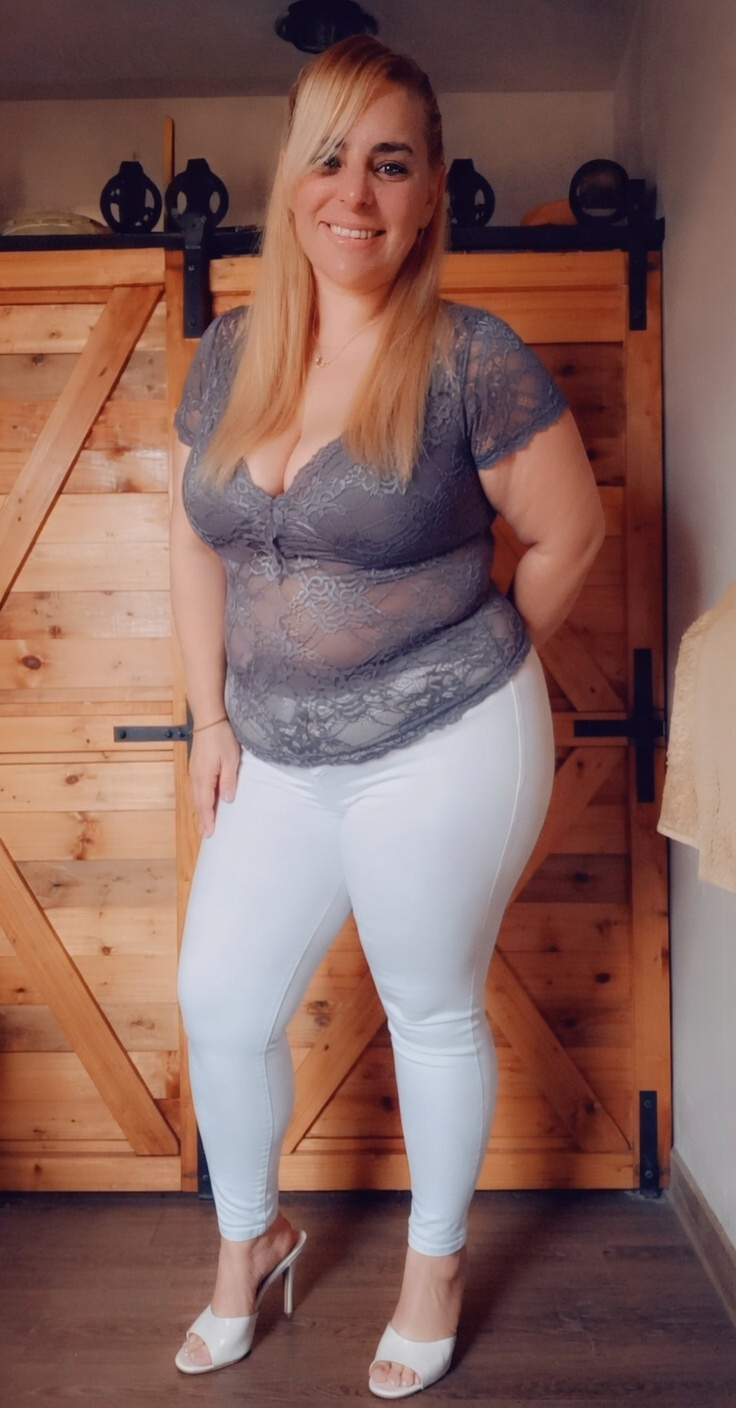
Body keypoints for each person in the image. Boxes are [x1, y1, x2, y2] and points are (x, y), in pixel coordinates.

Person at [170, 33, 605, 1400]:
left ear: (428, 197)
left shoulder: (473, 357)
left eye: (391, 164)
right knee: (218, 1002)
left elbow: (571, 536)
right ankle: (251, 1243)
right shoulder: (228, 353)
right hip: (274, 751)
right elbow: (195, 540)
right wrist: (208, 721)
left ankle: (435, 1273)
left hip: (445, 740)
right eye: (330, 158)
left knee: (427, 1005)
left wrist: (472, 671)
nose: (354, 192)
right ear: (291, 178)